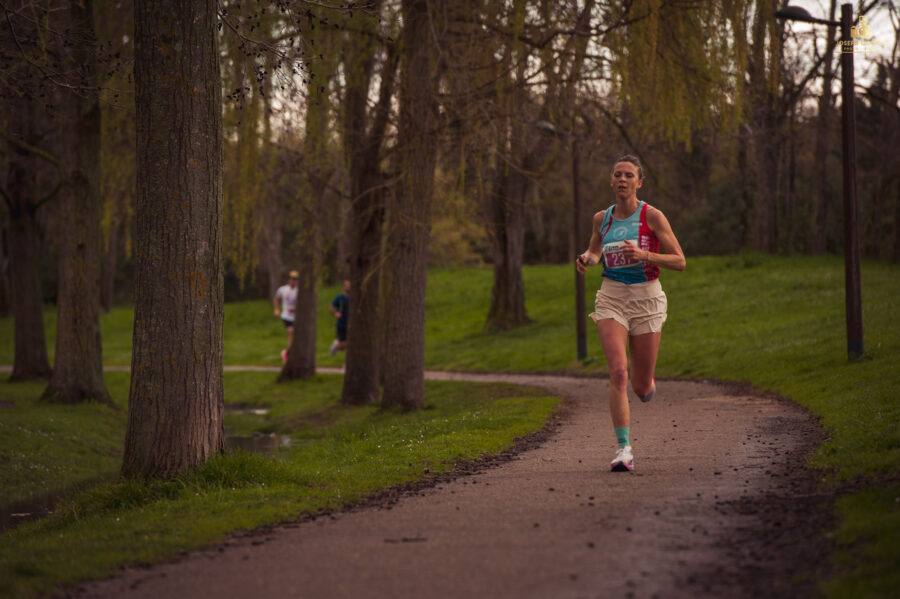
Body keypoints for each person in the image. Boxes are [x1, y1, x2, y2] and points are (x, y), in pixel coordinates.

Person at [576, 155, 686, 473]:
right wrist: (587, 258)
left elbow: (680, 261)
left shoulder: (652, 216)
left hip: (647, 297)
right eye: (617, 175)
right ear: (611, 181)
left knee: (639, 386)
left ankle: (647, 384)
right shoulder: (602, 218)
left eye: (629, 175)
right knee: (618, 374)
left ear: (639, 182)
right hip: (611, 295)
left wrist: (644, 254)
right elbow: (595, 250)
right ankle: (624, 449)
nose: (622, 180)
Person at [273, 270, 299, 363]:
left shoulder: (299, 290)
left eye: (295, 279)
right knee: (292, 333)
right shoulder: (283, 289)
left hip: (296, 317)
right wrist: (276, 309)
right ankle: (287, 354)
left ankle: (288, 353)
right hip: (286, 316)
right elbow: (276, 298)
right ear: (289, 280)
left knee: (296, 337)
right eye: (292, 279)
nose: (294, 281)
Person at [329, 280, 350, 356]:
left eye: (349, 285)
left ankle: (346, 365)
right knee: (343, 345)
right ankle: (335, 346)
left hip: (350, 325)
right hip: (341, 324)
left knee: (349, 345)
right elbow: (331, 307)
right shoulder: (340, 298)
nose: (348, 287)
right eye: (346, 285)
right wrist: (335, 313)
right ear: (343, 287)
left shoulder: (354, 298)